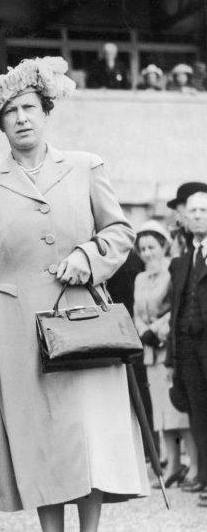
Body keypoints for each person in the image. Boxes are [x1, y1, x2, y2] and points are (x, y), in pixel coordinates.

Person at [0, 57, 146, 532]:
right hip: (17, 327)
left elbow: (121, 233)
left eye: (29, 108)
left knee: (87, 433)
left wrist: (88, 258)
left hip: (82, 317)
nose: (21, 118)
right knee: (40, 437)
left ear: (46, 113)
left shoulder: (85, 167)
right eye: (10, 112)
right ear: (0, 125)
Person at [133, 221, 195, 488]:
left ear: (163, 246)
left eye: (152, 247)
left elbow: (178, 308)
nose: (147, 253)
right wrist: (142, 330)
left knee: (177, 411)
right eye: (143, 248)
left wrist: (157, 329)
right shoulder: (139, 278)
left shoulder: (173, 270)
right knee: (160, 412)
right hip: (150, 352)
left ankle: (193, 464)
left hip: (169, 349)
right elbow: (136, 312)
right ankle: (171, 464)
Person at [166, 190, 207, 498]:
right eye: (192, 210)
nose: (196, 215)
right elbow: (176, 311)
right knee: (197, 413)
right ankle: (205, 477)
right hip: (189, 350)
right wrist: (173, 358)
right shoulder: (183, 261)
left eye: (204, 210)